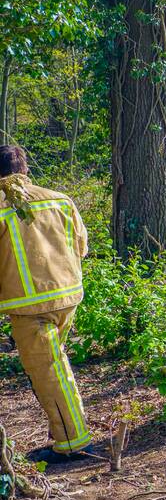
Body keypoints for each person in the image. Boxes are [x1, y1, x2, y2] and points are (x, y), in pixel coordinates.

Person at [0, 145, 96, 464]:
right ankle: (67, 433)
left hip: (29, 307)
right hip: (68, 297)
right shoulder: (59, 199)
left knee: (49, 372)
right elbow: (81, 246)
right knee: (55, 365)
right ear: (25, 170)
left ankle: (72, 442)